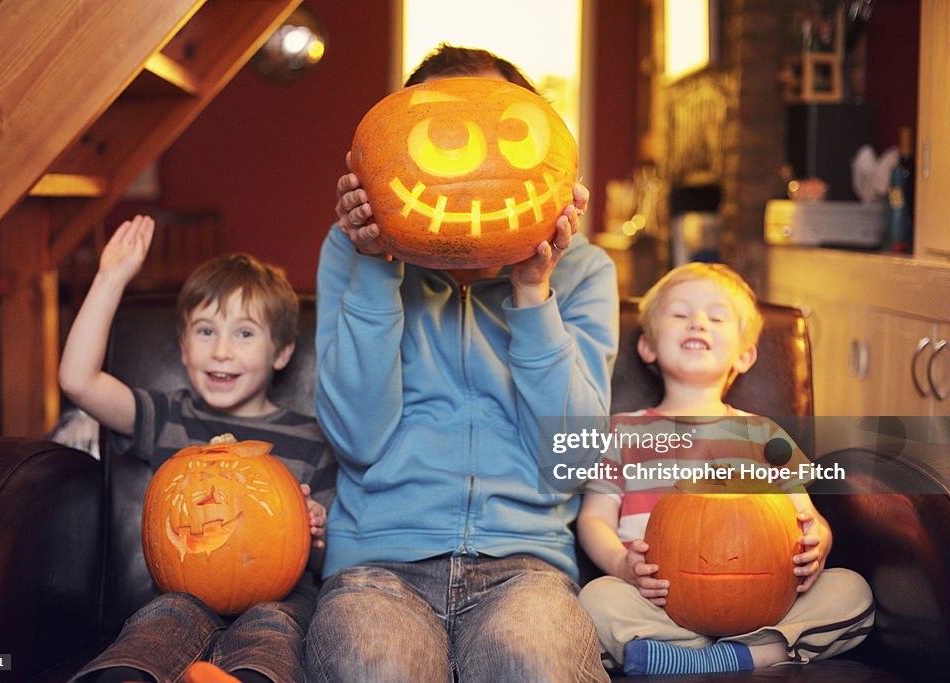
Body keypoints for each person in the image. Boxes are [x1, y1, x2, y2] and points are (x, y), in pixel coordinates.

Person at [307, 45, 617, 682]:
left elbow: (575, 461)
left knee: (537, 662)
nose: (473, 163)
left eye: (501, 132)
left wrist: (534, 292)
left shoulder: (583, 272)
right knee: (377, 668)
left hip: (525, 569)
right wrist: (376, 269)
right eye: (445, 136)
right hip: (377, 565)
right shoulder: (352, 252)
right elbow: (357, 441)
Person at [59, 215, 335, 683]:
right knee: (159, 623)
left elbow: (327, 560)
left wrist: (314, 526)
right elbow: (78, 382)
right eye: (206, 332)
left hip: (278, 600)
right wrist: (111, 278)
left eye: (244, 333)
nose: (221, 351)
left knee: (275, 630)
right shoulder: (167, 416)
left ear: (283, 352)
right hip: (179, 593)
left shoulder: (313, 437)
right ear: (184, 348)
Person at [577, 262, 874, 676]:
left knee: (852, 592)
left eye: (716, 317)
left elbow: (809, 517)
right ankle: (736, 652)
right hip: (657, 603)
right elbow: (593, 519)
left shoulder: (763, 433)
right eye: (680, 314)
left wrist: (818, 543)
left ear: (745, 354)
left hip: (766, 602)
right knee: (596, 599)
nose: (698, 322)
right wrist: (621, 565)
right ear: (647, 346)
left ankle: (720, 655)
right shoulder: (623, 431)